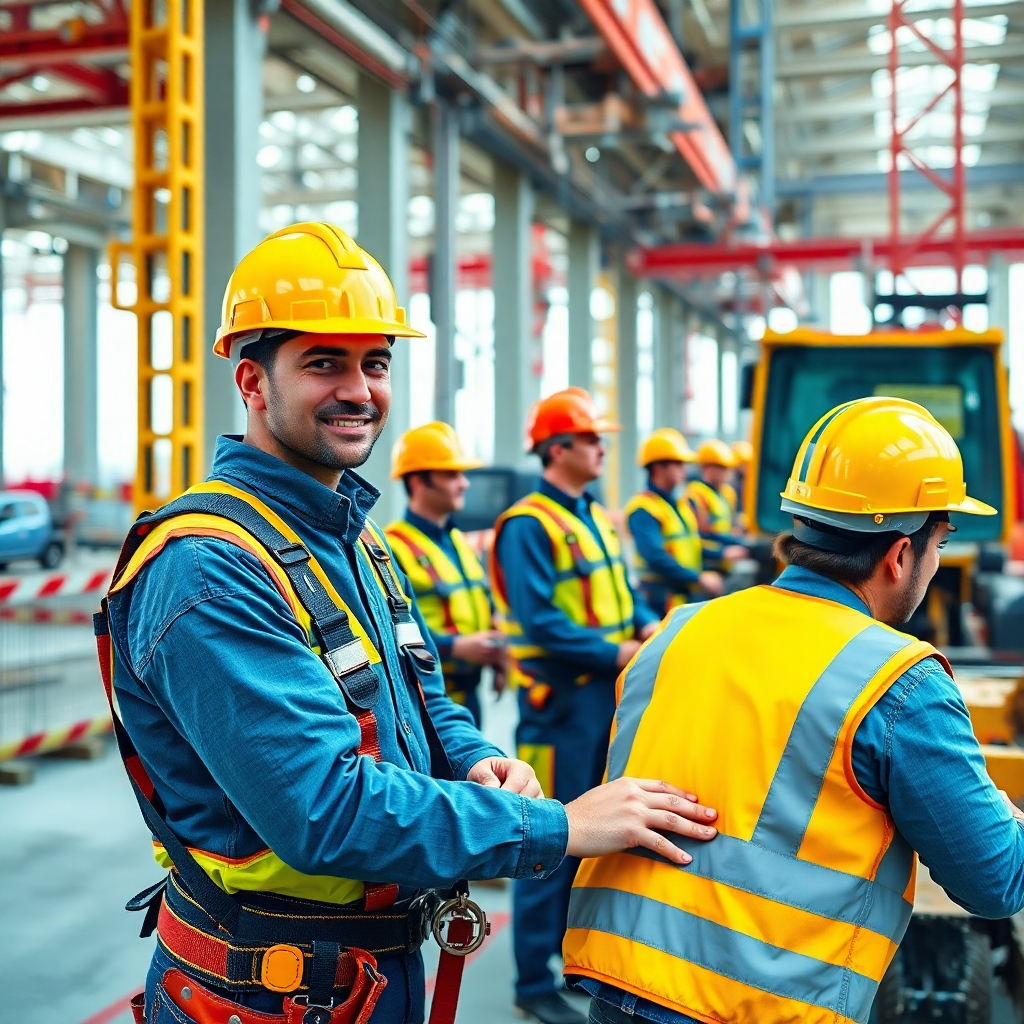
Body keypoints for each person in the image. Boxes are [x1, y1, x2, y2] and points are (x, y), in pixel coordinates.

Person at [97, 224, 719, 1024]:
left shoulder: (358, 538)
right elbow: (325, 810)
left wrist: (476, 760)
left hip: (363, 969)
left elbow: (422, 700)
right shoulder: (210, 568)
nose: (359, 389)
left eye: (375, 363)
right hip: (264, 989)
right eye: (324, 362)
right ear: (252, 381)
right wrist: (557, 824)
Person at [564, 396, 1024, 1024]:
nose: (936, 562)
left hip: (621, 986)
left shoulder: (676, 632)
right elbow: (993, 881)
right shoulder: (900, 681)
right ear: (898, 555)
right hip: (762, 1002)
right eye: (938, 543)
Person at [490, 387, 663, 1024]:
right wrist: (618, 652)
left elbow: (625, 592)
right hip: (560, 707)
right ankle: (531, 980)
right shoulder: (529, 524)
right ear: (558, 449)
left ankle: (570, 961)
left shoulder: (593, 515)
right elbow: (540, 622)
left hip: (604, 703)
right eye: (592, 440)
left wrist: (652, 628)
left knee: (603, 833)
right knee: (552, 837)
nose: (602, 449)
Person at [385, 421, 506, 727]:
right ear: (417, 482)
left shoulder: (459, 542)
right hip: (425, 700)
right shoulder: (391, 547)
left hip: (469, 693)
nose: (464, 483)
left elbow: (482, 602)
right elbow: (388, 631)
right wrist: (458, 648)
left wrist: (498, 654)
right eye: (451, 475)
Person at [624, 429, 724, 616]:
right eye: (678, 463)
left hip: (682, 595)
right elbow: (655, 557)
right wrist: (699, 578)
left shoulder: (678, 505)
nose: (684, 469)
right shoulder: (643, 509)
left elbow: (689, 544)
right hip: (659, 599)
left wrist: (722, 553)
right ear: (657, 468)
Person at [684, 438, 747, 571]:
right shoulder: (695, 495)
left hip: (726, 560)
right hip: (707, 562)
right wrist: (723, 552)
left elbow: (729, 523)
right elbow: (697, 535)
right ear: (706, 467)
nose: (726, 472)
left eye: (727, 467)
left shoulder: (728, 493)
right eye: (721, 467)